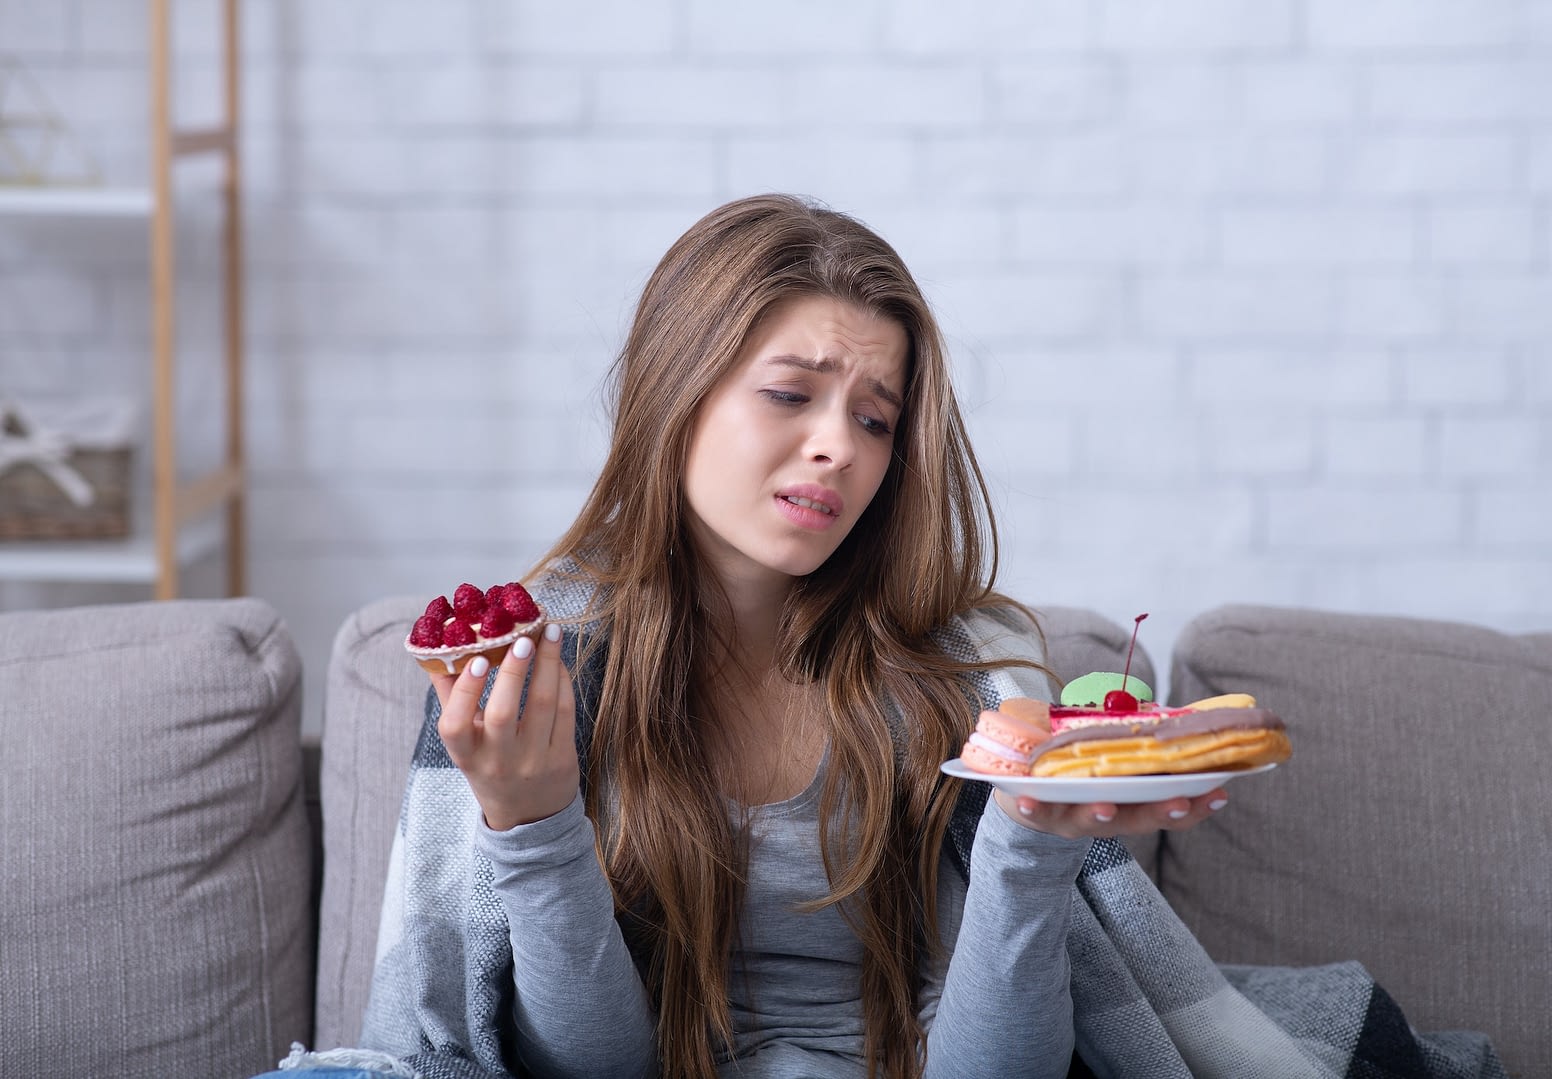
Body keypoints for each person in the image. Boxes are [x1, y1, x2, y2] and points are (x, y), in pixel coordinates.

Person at [261, 194, 1506, 1079]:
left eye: (874, 416)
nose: (837, 448)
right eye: (791, 393)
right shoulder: (529, 668)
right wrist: (532, 825)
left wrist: (1029, 850)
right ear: (675, 389)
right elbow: (578, 1062)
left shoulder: (964, 668)